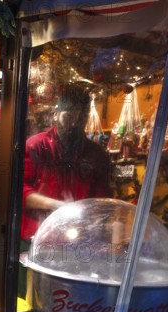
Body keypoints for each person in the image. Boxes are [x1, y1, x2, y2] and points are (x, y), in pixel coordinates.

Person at [22, 85, 112, 243]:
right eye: (69, 116)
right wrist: (56, 205)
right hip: (37, 235)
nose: (74, 124)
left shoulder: (96, 155)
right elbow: (19, 189)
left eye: (81, 118)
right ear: (56, 115)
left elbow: (102, 200)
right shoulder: (35, 145)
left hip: (78, 239)